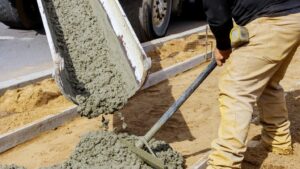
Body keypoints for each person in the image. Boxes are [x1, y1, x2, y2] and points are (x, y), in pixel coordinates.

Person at [201, 0, 300, 168]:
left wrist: (223, 46)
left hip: (272, 20)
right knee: (268, 81)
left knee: (236, 90)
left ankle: (223, 164)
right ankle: (278, 143)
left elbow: (217, 10)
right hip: (293, 15)